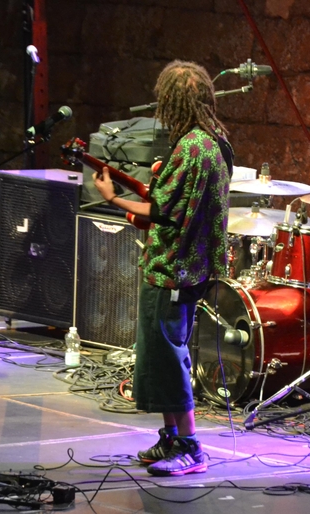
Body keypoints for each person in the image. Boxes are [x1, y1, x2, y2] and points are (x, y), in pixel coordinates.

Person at [94, 60, 232, 476]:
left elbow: (161, 209)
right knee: (159, 355)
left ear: (173, 102)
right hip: (189, 268)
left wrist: (111, 197)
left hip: (174, 270)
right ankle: (171, 437)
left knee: (169, 359)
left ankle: (190, 447)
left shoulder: (191, 147)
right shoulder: (214, 142)